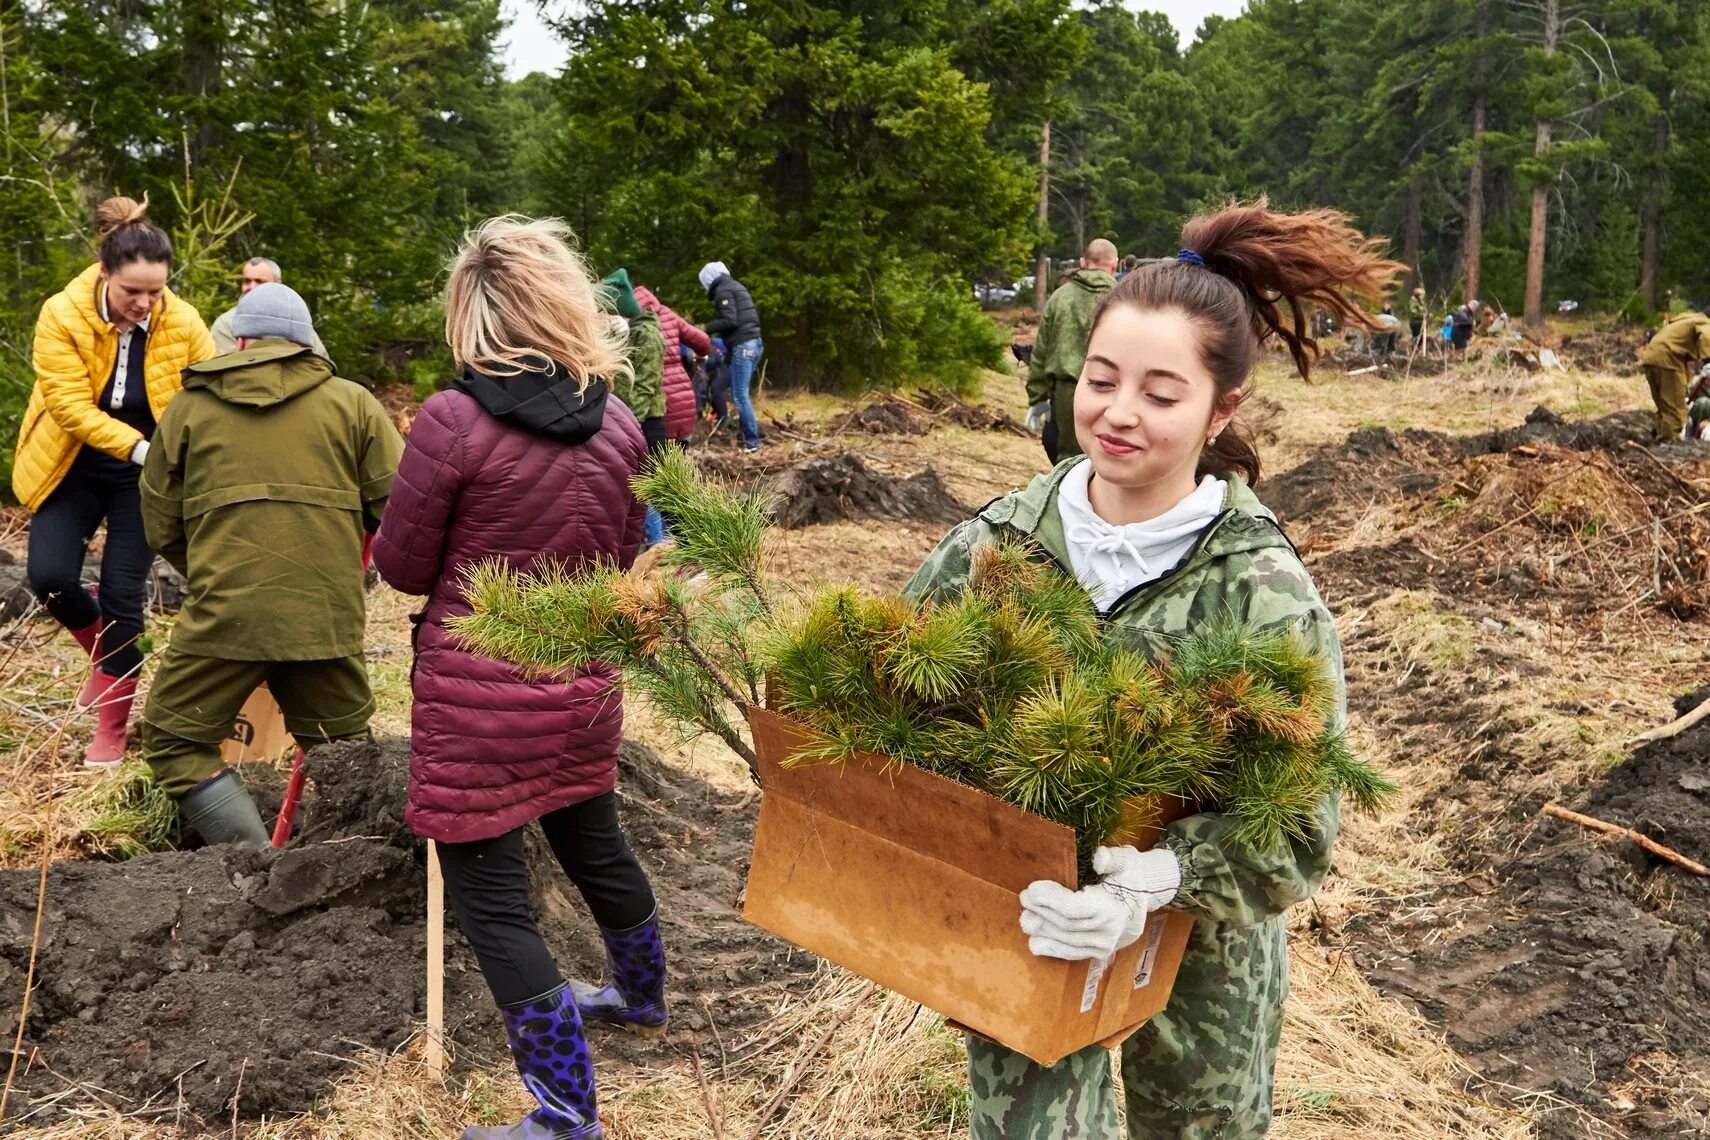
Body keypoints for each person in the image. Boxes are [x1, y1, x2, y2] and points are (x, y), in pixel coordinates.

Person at [905, 199, 1399, 1138]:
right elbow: (897, 706)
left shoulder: (1261, 590)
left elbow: (1296, 828)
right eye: (1099, 380)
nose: (1118, 415)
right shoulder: (996, 547)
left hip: (1203, 947)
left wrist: (1152, 882)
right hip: (1032, 923)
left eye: (1161, 395)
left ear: (1223, 409)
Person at [372, 216, 660, 1140]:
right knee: (594, 842)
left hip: (478, 699)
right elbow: (624, 565)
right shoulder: (617, 423)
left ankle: (567, 1114)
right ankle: (640, 995)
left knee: (493, 905)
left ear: (474, 315)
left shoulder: (453, 422)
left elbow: (407, 567)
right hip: (581, 684)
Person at [138, 283, 401, 845]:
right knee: (348, 756)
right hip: (324, 618)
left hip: (224, 619)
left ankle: (254, 861)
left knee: (174, 740)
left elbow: (159, 522)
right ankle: (360, 869)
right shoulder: (353, 403)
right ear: (307, 344)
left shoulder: (188, 407)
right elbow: (398, 512)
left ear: (241, 339)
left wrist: (216, 567)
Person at [14, 195, 215, 767]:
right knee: (50, 577)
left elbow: (207, 398)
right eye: (133, 292)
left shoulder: (183, 321)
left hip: (144, 477)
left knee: (125, 596)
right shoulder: (62, 313)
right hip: (74, 460)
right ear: (105, 273)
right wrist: (139, 446)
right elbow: (68, 405)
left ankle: (113, 725)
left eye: (156, 291)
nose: (145, 303)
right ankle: (104, 657)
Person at [1026, 238, 1119, 464]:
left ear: (1082, 262)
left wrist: (1037, 398)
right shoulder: (1126, 299)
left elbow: (1040, 353)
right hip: (1114, 392)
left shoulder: (1060, 297)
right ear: (1114, 266)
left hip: (1066, 393)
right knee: (1109, 461)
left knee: (1068, 462)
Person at [633, 280, 711, 546]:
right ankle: (684, 541)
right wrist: (697, 360)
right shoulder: (666, 313)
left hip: (659, 406)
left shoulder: (631, 323)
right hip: (685, 403)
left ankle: (661, 546)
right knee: (672, 475)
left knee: (650, 478)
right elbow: (703, 341)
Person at [698, 261, 762, 451]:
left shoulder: (723, 290)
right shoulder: (735, 286)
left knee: (740, 394)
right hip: (754, 343)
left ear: (708, 280)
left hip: (743, 345)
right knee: (734, 391)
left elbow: (730, 320)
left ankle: (751, 442)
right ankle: (745, 439)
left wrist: (704, 329)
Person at [210, 257, 329, 358]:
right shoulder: (226, 323)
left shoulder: (294, 321)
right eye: (246, 281)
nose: (251, 287)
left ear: (278, 284)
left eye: (259, 281)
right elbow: (224, 366)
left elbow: (320, 361)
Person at [1638, 309, 1710, 440]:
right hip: (1668, 361)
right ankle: (1668, 447)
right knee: (1675, 412)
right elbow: (1706, 339)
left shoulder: (1687, 318)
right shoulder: (1705, 323)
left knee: (1665, 408)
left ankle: (1659, 439)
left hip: (1652, 357)